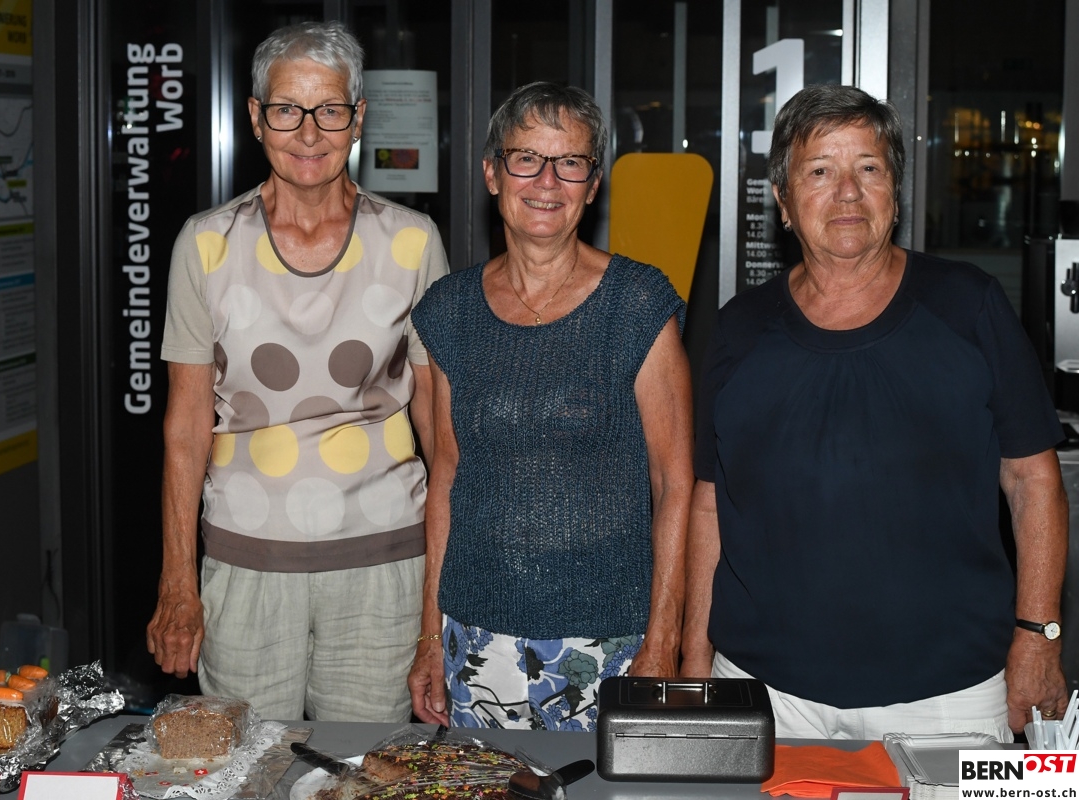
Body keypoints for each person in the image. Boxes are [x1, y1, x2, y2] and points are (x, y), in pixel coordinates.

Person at [682, 83, 1069, 741]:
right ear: (782, 201)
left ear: (895, 193)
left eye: (869, 168)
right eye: (820, 172)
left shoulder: (969, 306)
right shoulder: (737, 329)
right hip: (761, 690)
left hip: (949, 696)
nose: (848, 193)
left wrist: (1039, 637)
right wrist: (695, 658)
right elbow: (710, 504)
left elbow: (1035, 481)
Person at [146, 20, 448, 722]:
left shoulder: (412, 242)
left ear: (358, 119)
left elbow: (442, 431)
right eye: (287, 109)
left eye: (329, 110)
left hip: (383, 569)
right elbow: (186, 428)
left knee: (366, 769)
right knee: (244, 769)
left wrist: (438, 604)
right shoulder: (206, 245)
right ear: (256, 118)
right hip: (245, 569)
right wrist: (177, 581)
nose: (309, 132)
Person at [407, 82, 693, 731]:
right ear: (492, 173)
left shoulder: (637, 304)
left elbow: (675, 481)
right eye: (526, 158)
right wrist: (429, 636)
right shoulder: (450, 311)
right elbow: (446, 477)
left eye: (570, 162)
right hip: (475, 638)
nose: (547, 181)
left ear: (592, 185)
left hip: (611, 644)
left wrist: (663, 638)